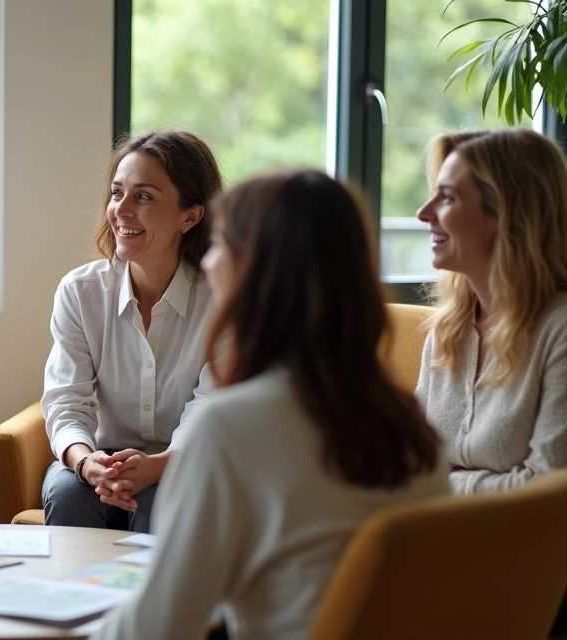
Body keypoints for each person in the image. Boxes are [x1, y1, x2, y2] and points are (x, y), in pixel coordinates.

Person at [96, 170, 449, 640]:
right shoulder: (407, 424)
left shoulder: (232, 427)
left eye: (220, 245)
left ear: (256, 270)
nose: (205, 264)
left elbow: (155, 628)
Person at [40, 130, 221, 532]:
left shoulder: (226, 299)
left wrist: (157, 466)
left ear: (189, 216)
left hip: (186, 467)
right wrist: (86, 463)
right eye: (117, 193)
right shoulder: (80, 291)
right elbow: (66, 400)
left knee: (164, 496)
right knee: (66, 492)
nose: (121, 210)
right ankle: (66, 597)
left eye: (144, 196)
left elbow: (213, 410)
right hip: (99, 463)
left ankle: (156, 599)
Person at [415, 129, 567, 494]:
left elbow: (545, 492)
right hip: (436, 537)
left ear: (504, 213)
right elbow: (416, 463)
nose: (424, 213)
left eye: (447, 198)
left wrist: (443, 484)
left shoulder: (559, 331)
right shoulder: (448, 331)